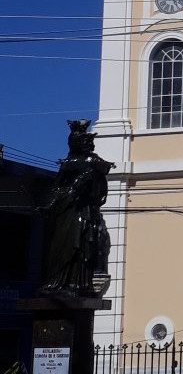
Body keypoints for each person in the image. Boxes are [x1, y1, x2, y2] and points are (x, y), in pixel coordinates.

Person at [41, 120, 113, 296]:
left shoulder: (93, 161)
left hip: (84, 211)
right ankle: (58, 281)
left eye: (90, 142)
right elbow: (56, 188)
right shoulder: (68, 163)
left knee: (84, 244)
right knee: (62, 245)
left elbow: (101, 182)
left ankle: (78, 283)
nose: (89, 145)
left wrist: (91, 180)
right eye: (85, 142)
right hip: (67, 212)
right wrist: (54, 202)